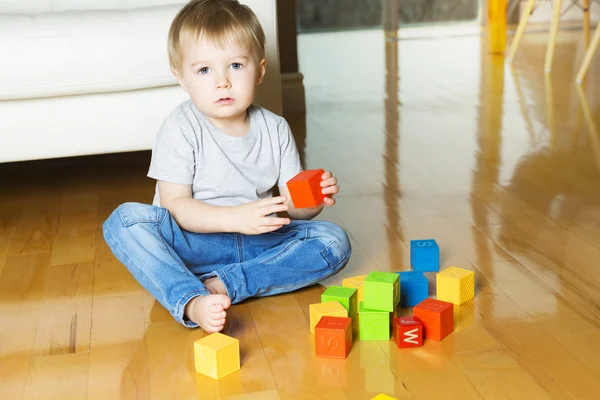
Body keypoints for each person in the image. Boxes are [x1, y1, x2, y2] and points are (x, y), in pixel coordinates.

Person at [102, 0, 351, 333]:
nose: (222, 81)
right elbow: (176, 206)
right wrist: (234, 217)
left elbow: (290, 208)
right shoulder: (180, 127)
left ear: (259, 70)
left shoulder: (274, 128)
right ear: (182, 78)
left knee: (334, 241)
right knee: (124, 221)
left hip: (257, 242)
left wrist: (311, 201)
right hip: (192, 243)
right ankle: (189, 299)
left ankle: (222, 286)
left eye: (235, 65)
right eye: (204, 70)